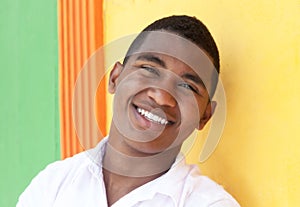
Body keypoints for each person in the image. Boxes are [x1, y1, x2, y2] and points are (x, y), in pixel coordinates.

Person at [17, 15, 240, 207]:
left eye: (188, 86)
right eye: (149, 69)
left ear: (205, 116)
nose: (162, 97)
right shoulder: (54, 184)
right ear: (115, 78)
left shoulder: (209, 203)